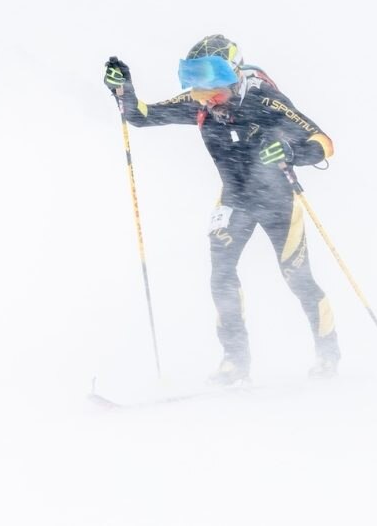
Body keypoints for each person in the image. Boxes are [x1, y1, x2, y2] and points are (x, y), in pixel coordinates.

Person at [102, 34, 341, 385]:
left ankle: (328, 354)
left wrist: (292, 154)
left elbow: (324, 143)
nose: (206, 102)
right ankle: (235, 361)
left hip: (278, 202)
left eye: (213, 91)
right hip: (235, 199)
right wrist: (123, 89)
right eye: (197, 92)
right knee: (221, 276)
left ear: (234, 77)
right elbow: (141, 116)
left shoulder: (265, 100)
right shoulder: (199, 104)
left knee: (298, 279)